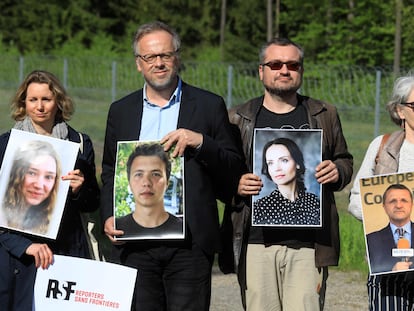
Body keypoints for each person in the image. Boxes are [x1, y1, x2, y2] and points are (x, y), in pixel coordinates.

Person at [100, 21, 243, 311]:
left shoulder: (208, 105)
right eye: (150, 57)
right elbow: (109, 170)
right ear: (139, 64)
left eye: (165, 55)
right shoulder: (121, 110)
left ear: (177, 57)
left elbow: (233, 166)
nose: (159, 63)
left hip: (190, 243)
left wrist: (201, 141)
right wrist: (108, 215)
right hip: (136, 241)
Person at [224, 37, 353, 310]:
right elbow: (220, 174)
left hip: (309, 246)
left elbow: (344, 159)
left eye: (292, 64)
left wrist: (337, 170)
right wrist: (235, 184)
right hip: (256, 243)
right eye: (275, 64)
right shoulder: (237, 118)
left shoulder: (324, 113)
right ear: (261, 71)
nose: (284, 70)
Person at [0, 70, 100, 310]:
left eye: (46, 99)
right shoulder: (6, 144)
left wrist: (79, 189)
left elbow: (92, 203)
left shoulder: (79, 142)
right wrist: (23, 246)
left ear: (59, 102)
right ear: (23, 102)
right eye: (33, 99)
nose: (40, 106)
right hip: (16, 256)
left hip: (65, 254)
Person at [348, 74, 414, 310]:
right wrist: (388, 216)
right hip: (388, 268)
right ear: (399, 110)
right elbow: (356, 200)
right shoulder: (382, 146)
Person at [115, 142, 183, 239]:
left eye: (155, 174)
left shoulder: (181, 229)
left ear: (167, 182)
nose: (146, 182)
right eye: (139, 174)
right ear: (129, 182)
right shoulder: (118, 229)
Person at [253, 137, 320, 226]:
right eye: (270, 163)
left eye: (284, 160)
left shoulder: (314, 202)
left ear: (298, 164)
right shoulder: (259, 208)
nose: (277, 168)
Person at [3, 140, 61, 235]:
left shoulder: (50, 225)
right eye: (32, 173)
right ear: (17, 174)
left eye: (48, 177)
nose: (39, 185)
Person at [366, 184, 413, 274]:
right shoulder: (371, 240)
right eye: (392, 201)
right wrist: (391, 272)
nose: (398, 205)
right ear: (384, 207)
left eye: (404, 200)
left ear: (411, 204)